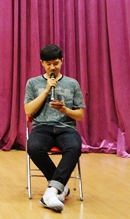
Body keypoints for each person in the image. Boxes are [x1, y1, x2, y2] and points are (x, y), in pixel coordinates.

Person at [24, 44, 85, 212]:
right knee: (34, 147)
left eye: (56, 63)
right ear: (42, 63)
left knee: (74, 147)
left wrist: (65, 110)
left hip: (66, 128)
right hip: (42, 127)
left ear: (62, 61)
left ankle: (51, 191)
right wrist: (46, 91)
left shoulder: (72, 83)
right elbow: (28, 111)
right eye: (48, 64)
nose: (52, 67)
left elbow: (80, 115)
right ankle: (59, 186)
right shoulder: (33, 83)